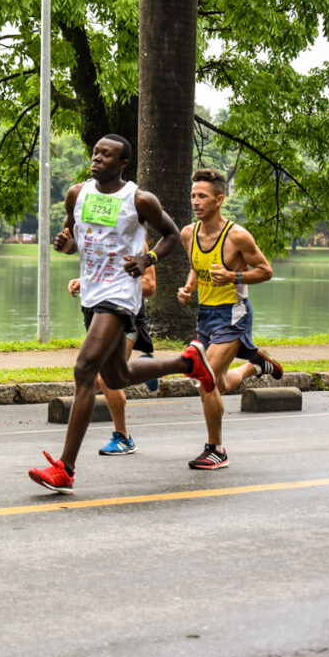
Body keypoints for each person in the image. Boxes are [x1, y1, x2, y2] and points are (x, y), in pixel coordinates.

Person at [28, 134, 217, 495]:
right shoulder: (77, 194)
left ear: (123, 164)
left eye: (107, 155)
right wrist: (66, 245)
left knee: (84, 369)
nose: (97, 159)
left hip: (119, 295)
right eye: (96, 153)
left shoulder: (138, 199)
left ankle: (65, 469)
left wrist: (149, 258)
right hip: (93, 292)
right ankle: (188, 361)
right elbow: (74, 239)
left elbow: (172, 235)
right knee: (116, 375)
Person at [177, 168, 283, 470]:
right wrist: (188, 289)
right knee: (218, 383)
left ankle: (216, 449)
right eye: (193, 196)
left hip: (233, 315)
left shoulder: (237, 236)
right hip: (205, 316)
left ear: (219, 199)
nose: (196, 202)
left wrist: (235, 275)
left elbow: (265, 270)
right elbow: (197, 270)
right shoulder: (189, 234)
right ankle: (254, 365)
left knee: (204, 380)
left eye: (203, 196)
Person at [66, 242, 158, 456]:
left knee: (106, 379)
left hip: (126, 316)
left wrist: (108, 288)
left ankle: (123, 437)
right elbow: (101, 276)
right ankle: (147, 368)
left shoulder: (135, 241)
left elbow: (149, 286)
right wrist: (84, 282)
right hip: (99, 316)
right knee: (98, 379)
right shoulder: (100, 237)